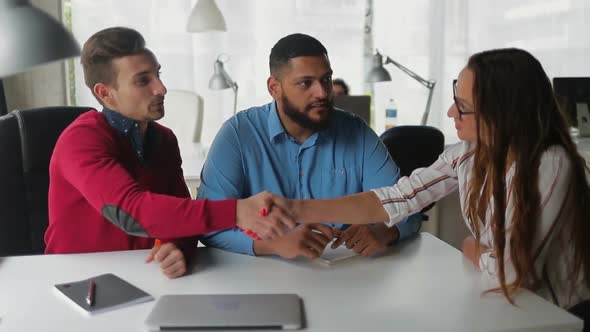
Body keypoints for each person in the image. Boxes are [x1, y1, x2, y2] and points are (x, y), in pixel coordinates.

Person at [267, 48, 590, 319]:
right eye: (454, 98)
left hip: (558, 315)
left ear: (502, 113)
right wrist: (294, 209)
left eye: (462, 107)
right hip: (509, 306)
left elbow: (512, 272)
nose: (450, 112)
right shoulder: (466, 154)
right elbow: (394, 198)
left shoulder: (550, 164)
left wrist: (473, 249)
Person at [44, 27, 294, 279]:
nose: (161, 88)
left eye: (157, 74)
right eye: (143, 80)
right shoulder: (81, 140)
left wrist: (176, 247)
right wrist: (238, 212)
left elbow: (182, 215)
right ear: (104, 93)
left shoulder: (163, 139)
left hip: (142, 277)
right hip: (75, 281)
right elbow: (131, 212)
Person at [197, 33, 422, 259]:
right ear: (274, 88)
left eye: (326, 80)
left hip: (347, 272)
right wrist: (273, 244)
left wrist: (384, 231)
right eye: (306, 83)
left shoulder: (357, 132)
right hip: (263, 277)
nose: (322, 92)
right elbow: (208, 224)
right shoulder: (237, 134)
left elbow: (408, 206)